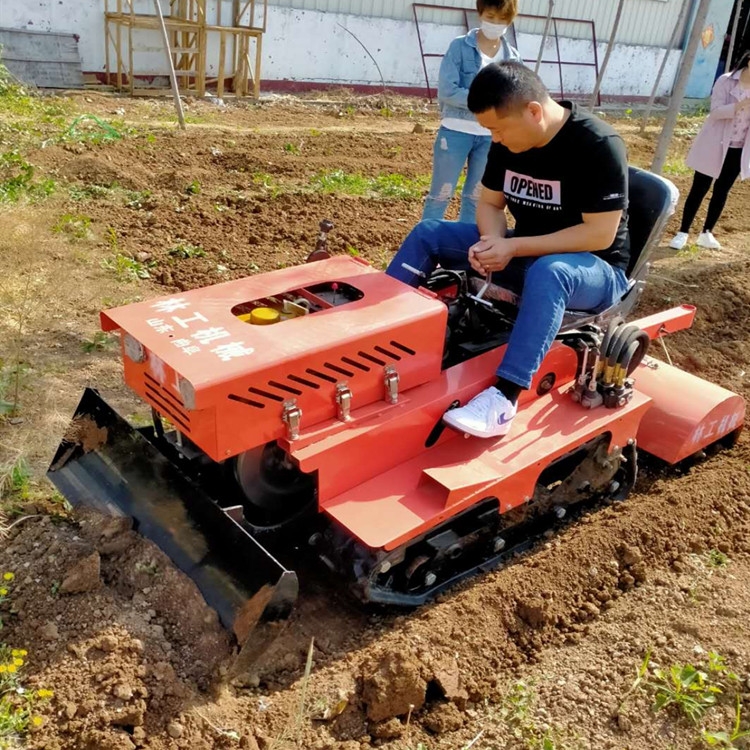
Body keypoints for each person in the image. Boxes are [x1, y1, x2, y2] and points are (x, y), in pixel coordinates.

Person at [386, 62, 630, 439]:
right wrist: (492, 243)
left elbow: (599, 234)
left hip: (593, 269)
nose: (494, 141)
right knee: (429, 233)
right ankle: (380, 337)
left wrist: (513, 246)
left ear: (533, 111)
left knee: (551, 272)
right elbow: (490, 205)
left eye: (497, 130)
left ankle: (504, 398)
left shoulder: (596, 145)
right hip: (527, 251)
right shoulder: (508, 143)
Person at [423, 0, 521, 224]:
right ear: (480, 14)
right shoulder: (459, 47)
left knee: (476, 198)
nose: (495, 23)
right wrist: (488, 104)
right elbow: (448, 90)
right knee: (440, 194)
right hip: (455, 130)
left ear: (509, 21)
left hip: (492, 138)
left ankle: (462, 251)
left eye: (501, 19)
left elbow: (514, 96)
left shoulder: (512, 57)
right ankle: (425, 247)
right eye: (490, 16)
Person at [669, 48, 750, 251]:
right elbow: (715, 112)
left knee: (722, 191)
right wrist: (741, 105)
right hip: (715, 143)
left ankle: (706, 233)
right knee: (699, 188)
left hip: (738, 148)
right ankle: (683, 232)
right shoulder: (726, 80)